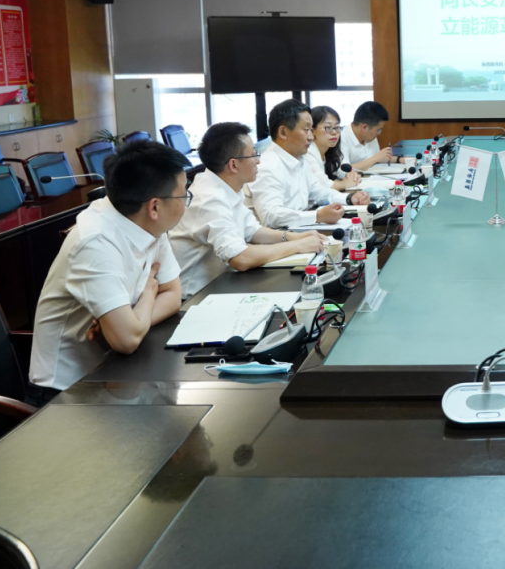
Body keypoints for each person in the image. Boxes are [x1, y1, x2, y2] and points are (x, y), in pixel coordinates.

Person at [27, 141, 190, 405]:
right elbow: (126, 340)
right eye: (183, 196)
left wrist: (133, 320)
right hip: (67, 395)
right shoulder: (96, 241)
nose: (186, 204)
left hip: (118, 373)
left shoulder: (145, 221)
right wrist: (148, 296)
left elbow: (173, 294)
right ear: (155, 207)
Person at [170, 122, 329, 299]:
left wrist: (292, 236)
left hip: (223, 284)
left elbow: (251, 230)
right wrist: (297, 246)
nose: (258, 160)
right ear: (233, 165)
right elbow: (241, 258)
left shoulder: (224, 185)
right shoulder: (210, 199)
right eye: (253, 154)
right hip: (196, 298)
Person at [244, 99, 370, 229]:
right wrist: (317, 216)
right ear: (283, 132)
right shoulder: (268, 166)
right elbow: (270, 216)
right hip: (275, 237)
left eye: (311, 130)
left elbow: (318, 192)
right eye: (306, 130)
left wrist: (350, 198)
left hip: (298, 231)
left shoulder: (299, 159)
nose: (311, 137)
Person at [306, 105, 365, 192]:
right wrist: (346, 183)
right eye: (328, 128)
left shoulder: (329, 151)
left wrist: (352, 175)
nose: (334, 132)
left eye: (337, 127)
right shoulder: (308, 152)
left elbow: (340, 172)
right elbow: (324, 185)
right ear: (312, 130)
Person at [345, 101, 406, 170]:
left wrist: (400, 159)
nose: (379, 133)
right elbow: (342, 171)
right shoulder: (341, 138)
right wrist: (376, 158)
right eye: (378, 130)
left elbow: (379, 159)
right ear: (364, 127)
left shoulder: (370, 136)